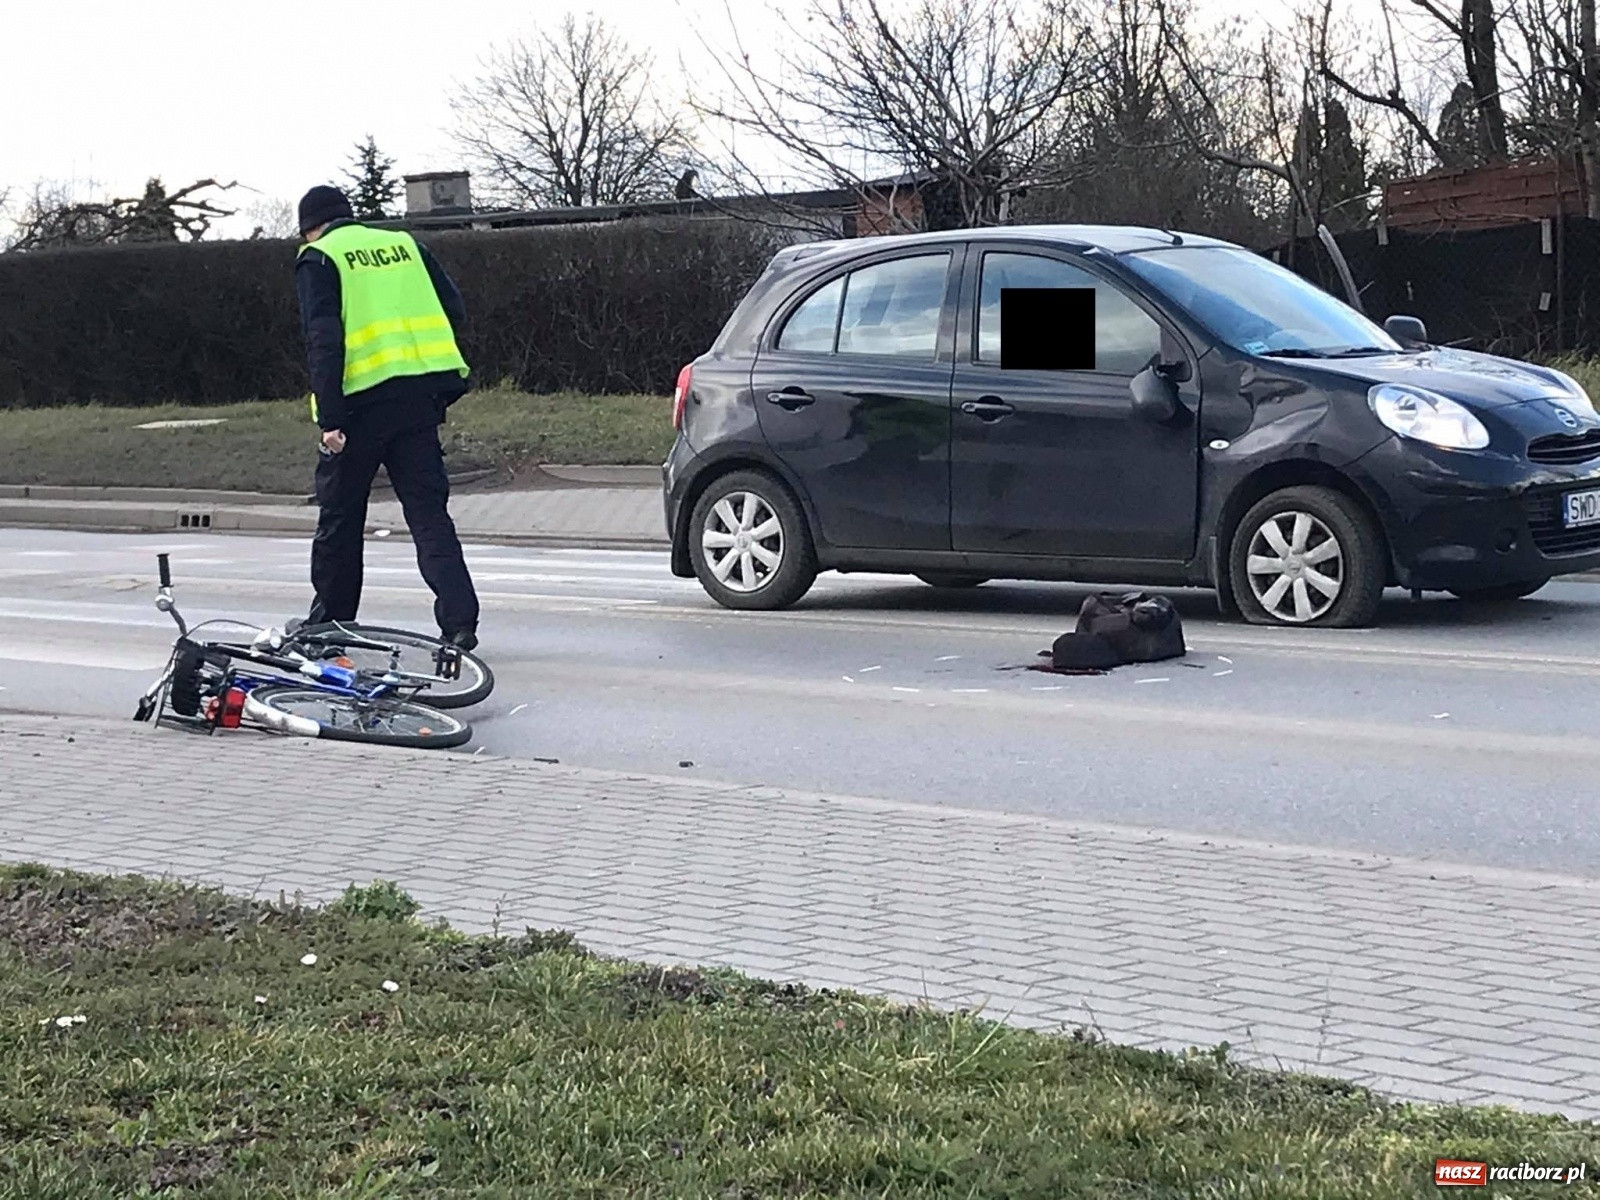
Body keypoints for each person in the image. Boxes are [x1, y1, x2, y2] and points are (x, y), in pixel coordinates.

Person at [292, 184, 480, 652]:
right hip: (417, 401)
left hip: (358, 410)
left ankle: (330, 622)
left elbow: (324, 341)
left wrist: (330, 419)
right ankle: (459, 624)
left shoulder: (320, 257)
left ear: (310, 228)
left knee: (340, 517)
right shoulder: (404, 244)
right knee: (428, 514)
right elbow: (452, 308)